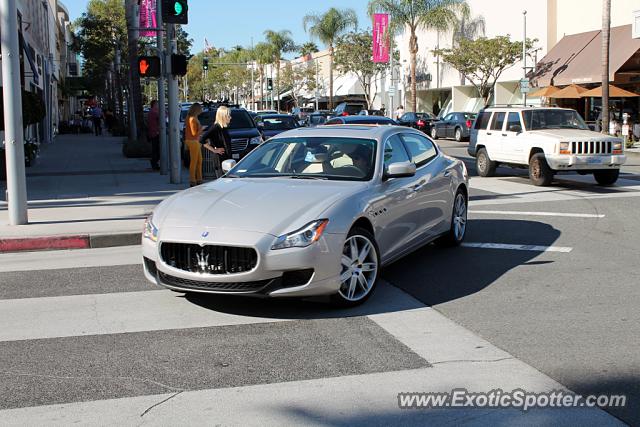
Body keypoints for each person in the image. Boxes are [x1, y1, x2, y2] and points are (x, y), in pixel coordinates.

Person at [200, 106, 232, 179]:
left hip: (227, 158)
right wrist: (214, 150)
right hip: (220, 159)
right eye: (228, 115)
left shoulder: (224, 128)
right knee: (222, 182)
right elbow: (202, 139)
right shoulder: (215, 127)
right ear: (223, 116)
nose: (230, 117)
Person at [147, 101, 160, 170]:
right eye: (158, 104)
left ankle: (155, 163)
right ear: (155, 105)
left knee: (156, 149)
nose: (159, 106)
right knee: (156, 149)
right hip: (155, 133)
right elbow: (162, 117)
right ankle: (154, 163)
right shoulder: (154, 112)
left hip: (153, 132)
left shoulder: (151, 112)